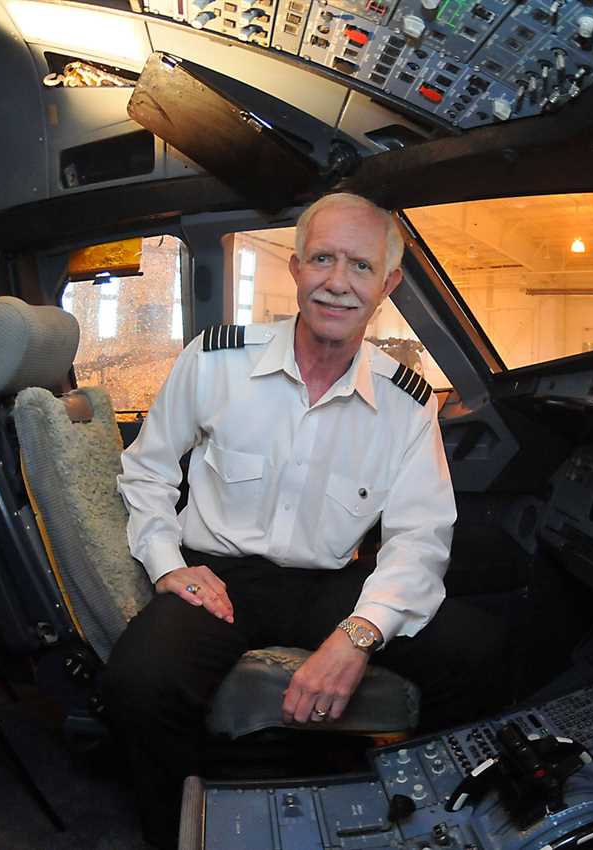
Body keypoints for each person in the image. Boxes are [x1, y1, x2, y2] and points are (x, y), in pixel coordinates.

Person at [104, 192, 503, 847]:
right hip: (223, 577)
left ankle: (413, 818)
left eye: (360, 267)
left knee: (478, 653)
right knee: (137, 686)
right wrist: (169, 565)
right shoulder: (215, 359)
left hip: (329, 583)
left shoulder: (407, 403)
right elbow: (146, 471)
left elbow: (419, 537)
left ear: (388, 284)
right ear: (295, 269)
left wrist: (360, 632)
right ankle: (177, 832)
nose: (338, 283)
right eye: (322, 259)